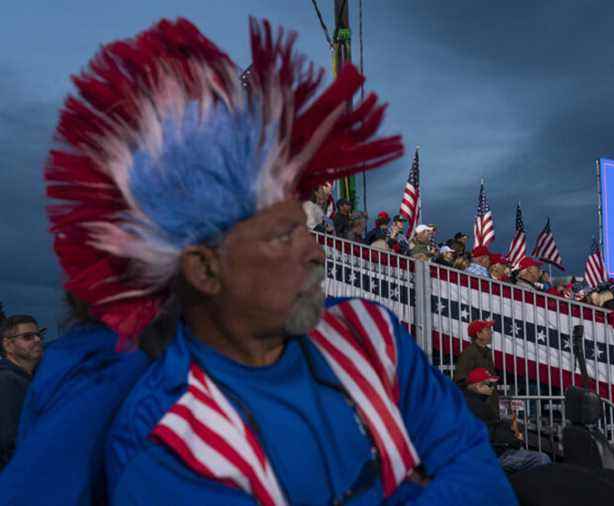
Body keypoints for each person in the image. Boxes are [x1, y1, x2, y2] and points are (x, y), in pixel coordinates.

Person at [3, 18, 516, 505]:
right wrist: (408, 482)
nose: (315, 250)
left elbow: (476, 469)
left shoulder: (365, 330)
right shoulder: (137, 408)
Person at [461, 368, 550, 474]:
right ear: (478, 386)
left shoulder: (468, 402)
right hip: (488, 456)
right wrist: (514, 436)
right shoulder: (475, 406)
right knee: (541, 459)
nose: (493, 388)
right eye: (490, 384)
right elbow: (489, 434)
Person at [0, 315, 44, 470]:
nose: (37, 340)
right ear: (8, 345)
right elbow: (9, 441)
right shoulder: (6, 381)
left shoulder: (33, 379)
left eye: (39, 335)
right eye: (27, 337)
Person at [454, 320, 496, 385]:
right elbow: (460, 379)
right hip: (476, 394)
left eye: (490, 330)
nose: (491, 333)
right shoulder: (469, 353)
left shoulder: (487, 351)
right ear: (478, 334)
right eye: (487, 330)